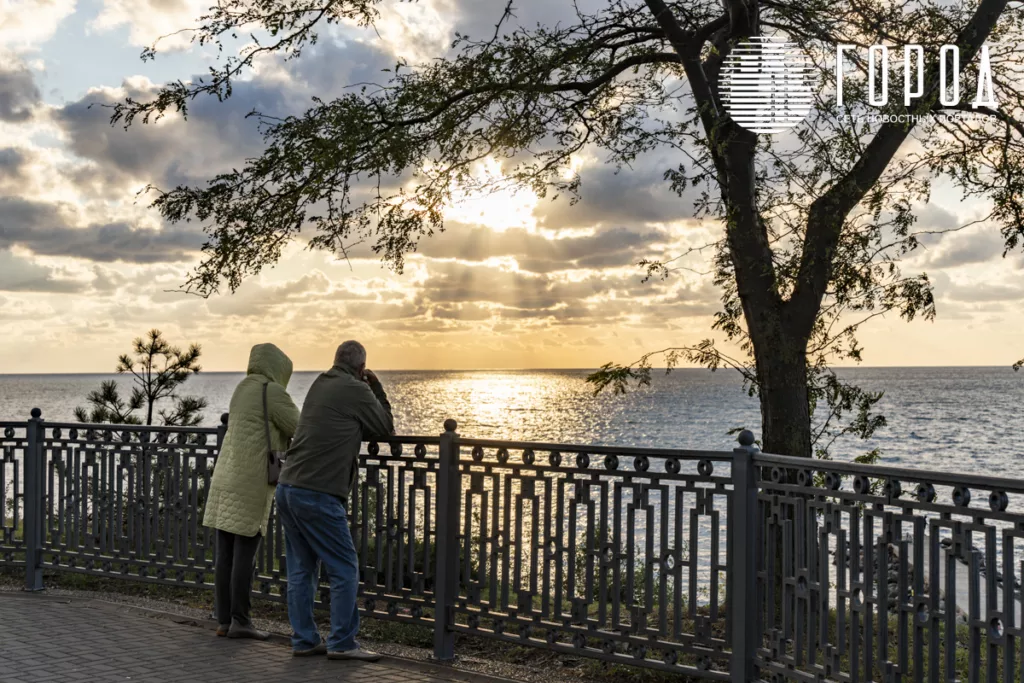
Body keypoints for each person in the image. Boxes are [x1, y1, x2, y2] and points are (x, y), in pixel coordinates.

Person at [275, 340, 394, 660]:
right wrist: (376, 388)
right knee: (344, 568)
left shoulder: (321, 383)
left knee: (301, 570)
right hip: (317, 493)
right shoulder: (356, 389)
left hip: (288, 488)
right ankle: (342, 642)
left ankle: (304, 640)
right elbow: (384, 429)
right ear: (360, 369)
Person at [203, 343, 299, 639]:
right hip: (251, 482)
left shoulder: (242, 388)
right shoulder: (273, 391)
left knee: (225, 556)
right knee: (245, 556)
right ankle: (241, 621)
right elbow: (299, 426)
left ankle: (223, 621)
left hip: (226, 477)